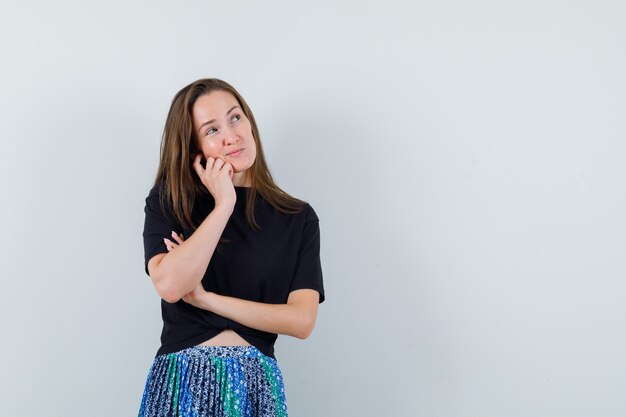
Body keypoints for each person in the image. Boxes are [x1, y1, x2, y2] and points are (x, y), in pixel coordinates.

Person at [138, 78, 325, 417]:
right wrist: (224, 203)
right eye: (211, 130)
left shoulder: (297, 218)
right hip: (183, 382)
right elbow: (169, 285)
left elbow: (301, 321)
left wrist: (208, 299)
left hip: (255, 387)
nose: (230, 135)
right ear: (195, 148)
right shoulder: (171, 200)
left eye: (235, 118)